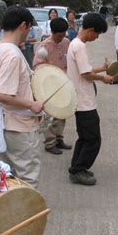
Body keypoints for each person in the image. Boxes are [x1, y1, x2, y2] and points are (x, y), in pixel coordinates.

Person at [0, 6, 43, 189]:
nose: (29, 33)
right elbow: (2, 93)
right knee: (28, 178)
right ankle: (27, 217)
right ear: (23, 25)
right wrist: (31, 104)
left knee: (11, 177)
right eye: (29, 29)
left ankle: (15, 215)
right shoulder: (12, 55)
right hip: (19, 126)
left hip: (4, 123)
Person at [67, 13, 113, 185]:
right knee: (93, 139)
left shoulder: (75, 44)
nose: (97, 37)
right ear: (92, 30)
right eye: (98, 33)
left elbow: (84, 69)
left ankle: (76, 167)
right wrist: (104, 78)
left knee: (84, 137)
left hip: (81, 99)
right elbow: (85, 74)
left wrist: (102, 68)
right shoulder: (79, 46)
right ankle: (79, 170)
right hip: (84, 101)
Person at [32, 17, 73, 155]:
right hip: (49, 85)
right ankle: (50, 143)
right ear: (52, 32)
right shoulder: (44, 46)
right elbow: (37, 66)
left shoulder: (67, 43)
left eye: (63, 35)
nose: (61, 38)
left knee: (62, 112)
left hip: (64, 83)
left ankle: (59, 138)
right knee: (50, 114)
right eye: (58, 36)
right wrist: (48, 68)